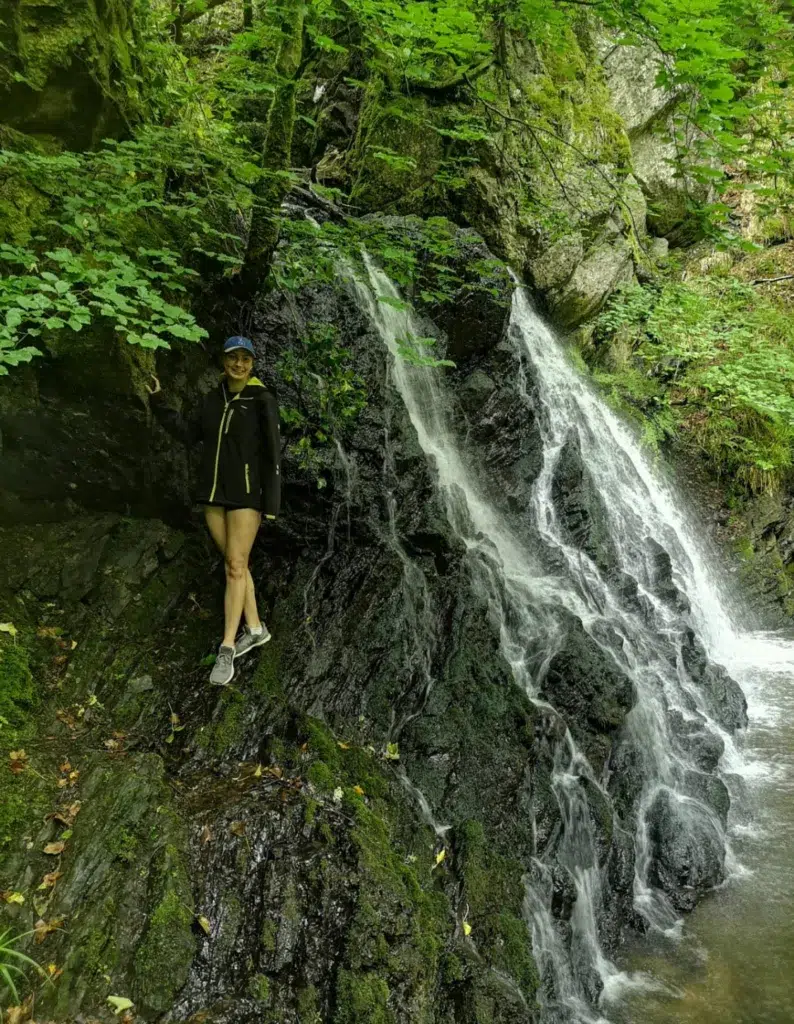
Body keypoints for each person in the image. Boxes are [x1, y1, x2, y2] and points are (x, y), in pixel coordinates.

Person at [147, 336, 281, 686]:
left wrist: (272, 504)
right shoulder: (212, 399)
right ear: (223, 361)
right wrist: (158, 401)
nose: (239, 364)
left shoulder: (262, 399)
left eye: (245, 359)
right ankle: (255, 628)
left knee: (235, 566)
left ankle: (226, 649)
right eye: (233, 358)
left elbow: (272, 454)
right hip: (212, 494)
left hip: (246, 495)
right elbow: (189, 433)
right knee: (235, 563)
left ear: (253, 364)